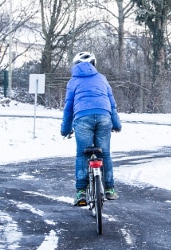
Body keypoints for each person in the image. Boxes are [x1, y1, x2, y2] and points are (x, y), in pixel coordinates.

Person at [60, 51, 122, 206]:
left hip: (82, 118)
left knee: (82, 155)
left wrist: (65, 129)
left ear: (76, 65)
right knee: (105, 154)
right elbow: (112, 105)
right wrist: (116, 124)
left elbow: (68, 109)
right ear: (94, 64)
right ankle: (109, 189)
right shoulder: (102, 79)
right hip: (103, 117)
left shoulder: (73, 82)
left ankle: (81, 192)